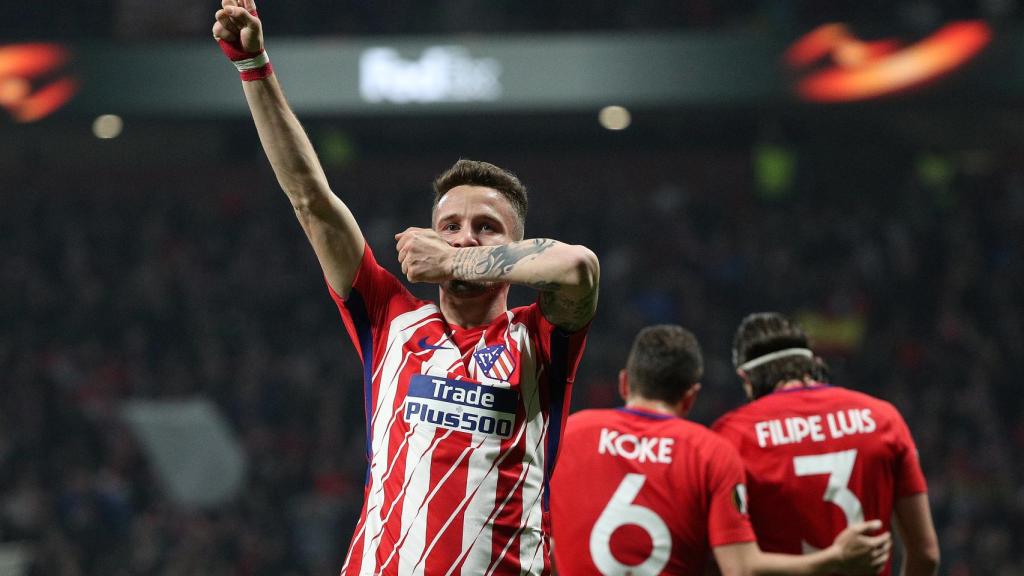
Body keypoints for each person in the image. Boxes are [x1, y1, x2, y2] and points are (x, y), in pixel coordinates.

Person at [211, 2, 600, 574]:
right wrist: (254, 68)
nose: (465, 238)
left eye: (486, 228)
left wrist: (455, 261)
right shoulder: (389, 316)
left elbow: (579, 269)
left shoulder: (537, 338)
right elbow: (311, 201)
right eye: (451, 227)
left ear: (517, 241)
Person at [549, 325, 891, 575]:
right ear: (691, 397)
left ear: (624, 382)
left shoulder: (573, 431)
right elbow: (741, 569)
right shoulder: (710, 452)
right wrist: (835, 558)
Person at [713, 312, 940, 576]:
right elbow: (926, 554)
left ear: (746, 378)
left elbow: (736, 567)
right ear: (813, 362)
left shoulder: (732, 435)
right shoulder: (883, 419)